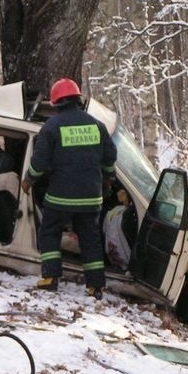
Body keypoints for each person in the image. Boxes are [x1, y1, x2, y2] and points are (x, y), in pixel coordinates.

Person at [21, 78, 117, 299]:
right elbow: (110, 158)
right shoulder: (97, 126)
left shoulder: (51, 128)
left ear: (55, 103)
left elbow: (39, 163)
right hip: (91, 198)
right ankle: (95, 286)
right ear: (78, 99)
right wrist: (108, 176)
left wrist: (28, 181)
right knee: (90, 239)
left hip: (60, 198)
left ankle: (50, 277)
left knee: (50, 232)